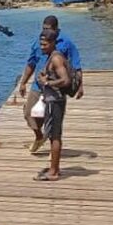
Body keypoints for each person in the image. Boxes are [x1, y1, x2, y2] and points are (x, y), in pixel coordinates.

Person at [18, 15, 83, 153]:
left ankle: (54, 151)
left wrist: (80, 86)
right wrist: (23, 82)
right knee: (29, 113)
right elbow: (31, 63)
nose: (45, 31)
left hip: (56, 88)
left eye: (48, 29)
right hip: (37, 86)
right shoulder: (38, 42)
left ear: (56, 29)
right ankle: (39, 136)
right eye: (43, 28)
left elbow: (76, 66)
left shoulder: (66, 43)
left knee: (54, 119)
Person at [34, 29, 72, 182]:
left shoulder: (56, 59)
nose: (42, 47)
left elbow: (66, 80)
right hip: (52, 100)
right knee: (52, 135)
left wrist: (47, 82)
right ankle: (53, 167)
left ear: (52, 43)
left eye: (45, 44)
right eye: (40, 44)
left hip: (55, 102)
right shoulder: (52, 57)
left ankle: (54, 172)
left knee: (54, 136)